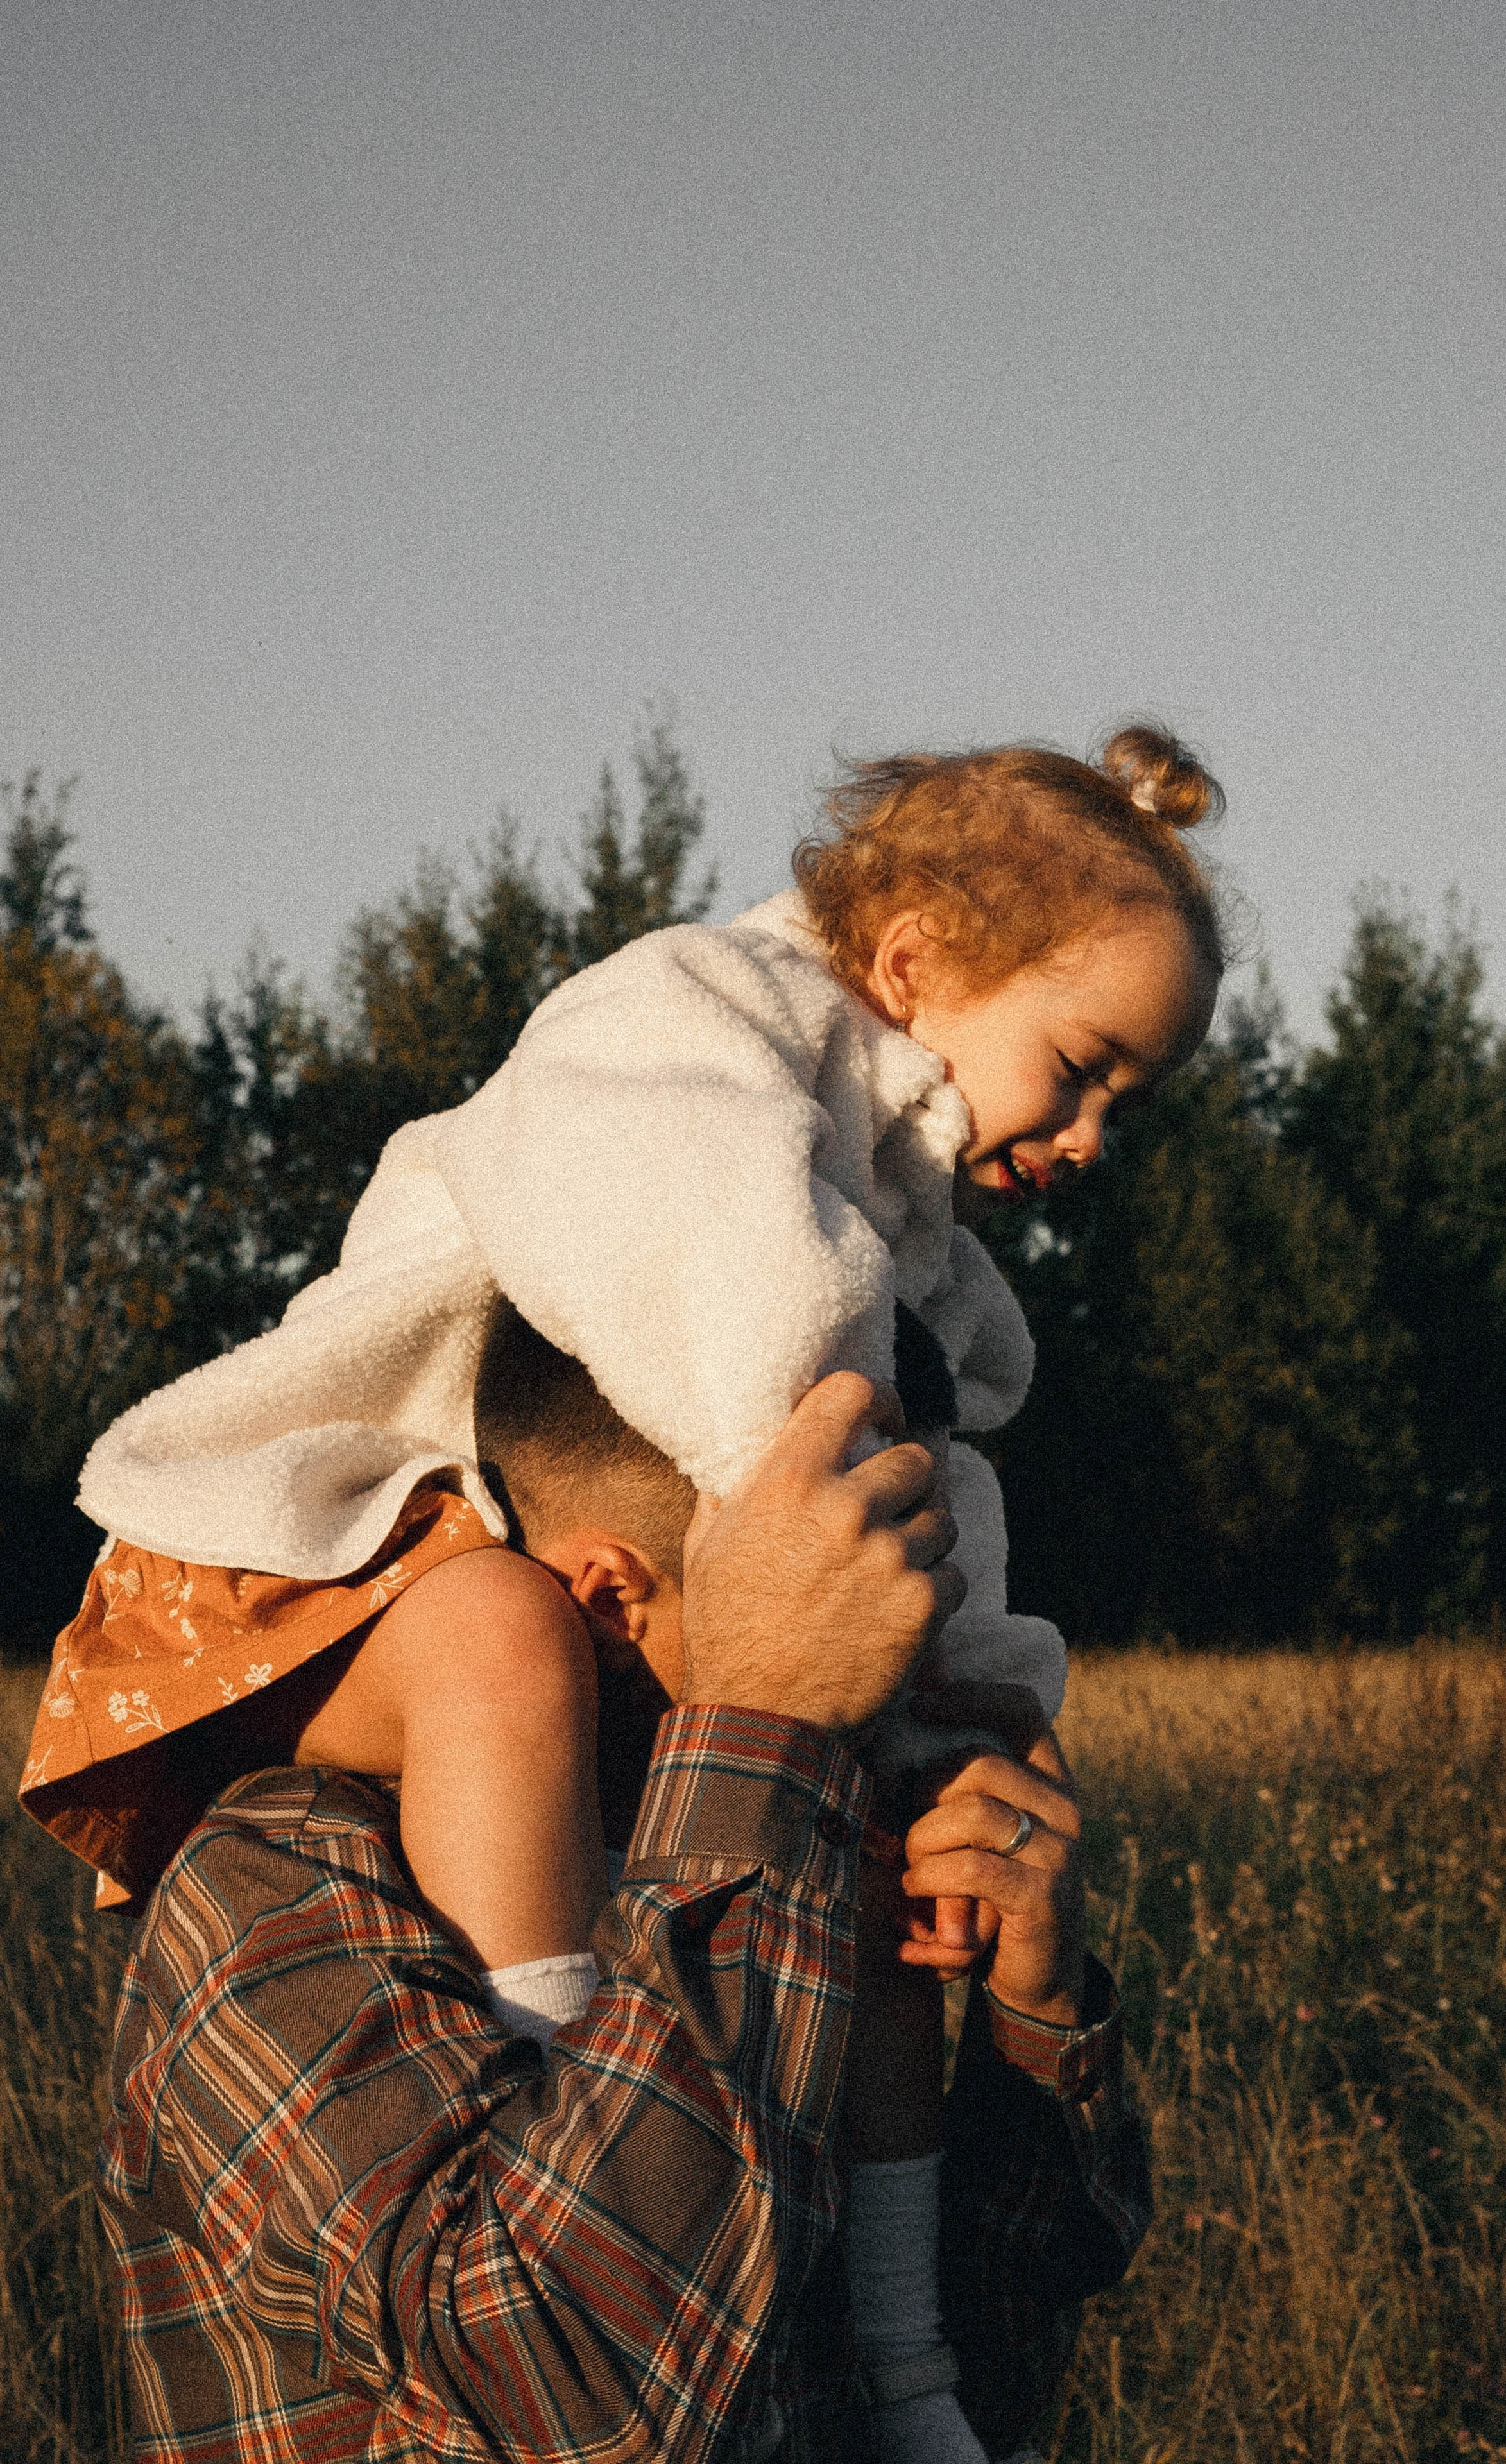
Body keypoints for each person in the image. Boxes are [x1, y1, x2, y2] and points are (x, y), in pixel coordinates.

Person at [26, 721, 1221, 2455]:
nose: (1100, 1136)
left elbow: (1026, 2327)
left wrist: (1020, 1977)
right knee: (548, 1685)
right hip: (353, 1582)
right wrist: (772, 1685)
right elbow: (585, 2404)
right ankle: (560, 2035)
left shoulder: (767, 1842)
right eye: (1087, 1067)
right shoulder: (280, 1893)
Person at [95, 1370, 1152, 2462]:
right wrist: (764, 1726)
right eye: (846, 1583)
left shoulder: (809, 1860)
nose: (903, 1645)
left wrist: (1035, 2009)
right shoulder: (275, 1882)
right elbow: (571, 2400)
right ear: (608, 1598)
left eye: (923, 1582)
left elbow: (978, 2401)